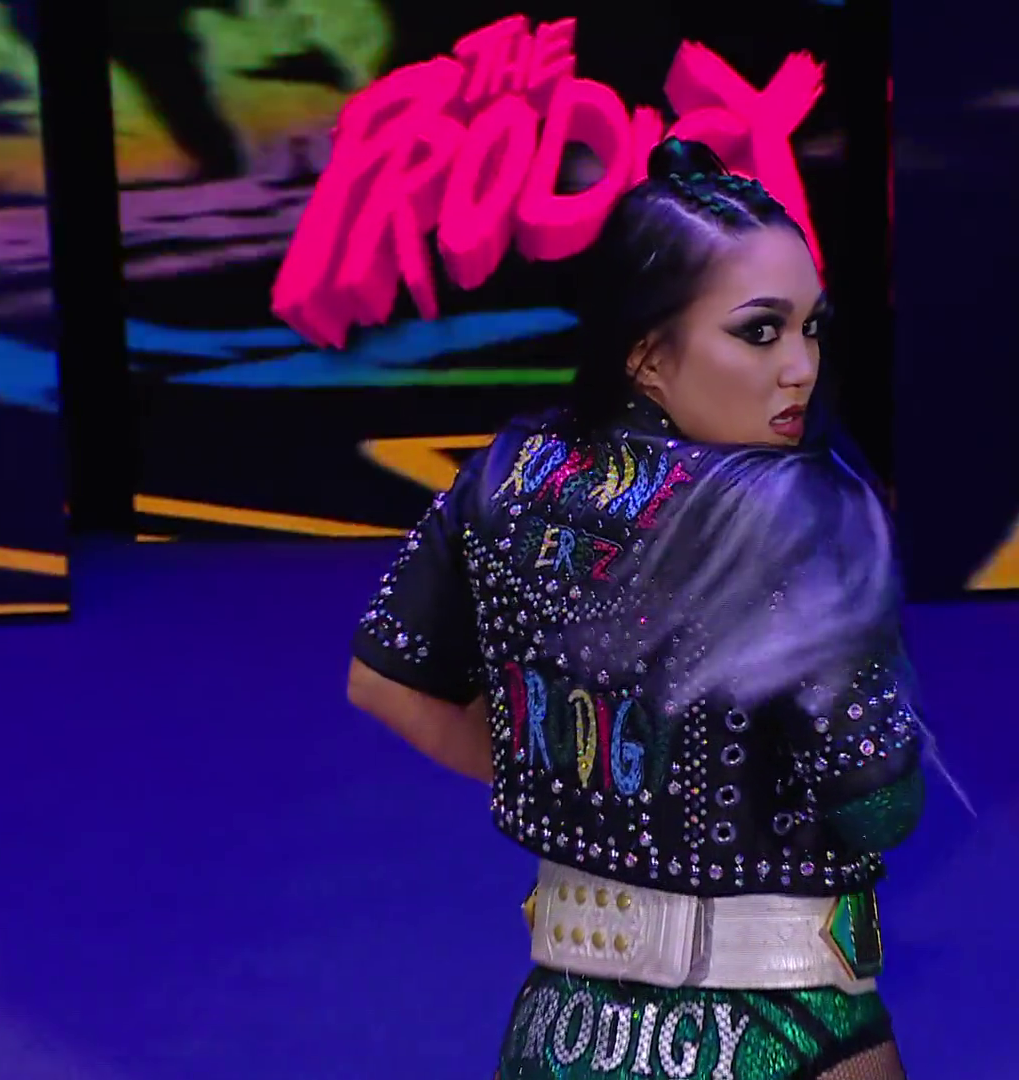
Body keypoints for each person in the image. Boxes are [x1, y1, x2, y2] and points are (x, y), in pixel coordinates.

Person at [340, 138, 926, 1079]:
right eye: (760, 332)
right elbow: (881, 805)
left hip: (558, 1027)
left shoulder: (508, 473)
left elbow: (383, 680)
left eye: (811, 327)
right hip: (781, 1025)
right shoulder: (802, 518)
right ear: (648, 355)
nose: (801, 368)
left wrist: (569, 763)